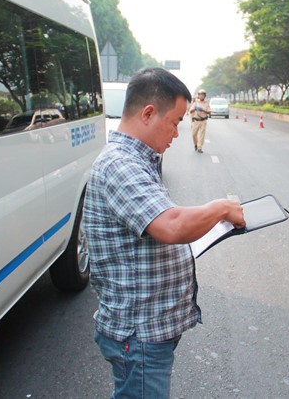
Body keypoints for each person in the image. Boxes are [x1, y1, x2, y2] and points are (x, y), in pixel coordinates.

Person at [82, 67, 246, 399]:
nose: (176, 134)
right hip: (138, 333)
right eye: (174, 123)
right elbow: (170, 225)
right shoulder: (121, 165)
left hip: (145, 329)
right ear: (147, 114)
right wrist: (220, 208)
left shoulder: (138, 160)